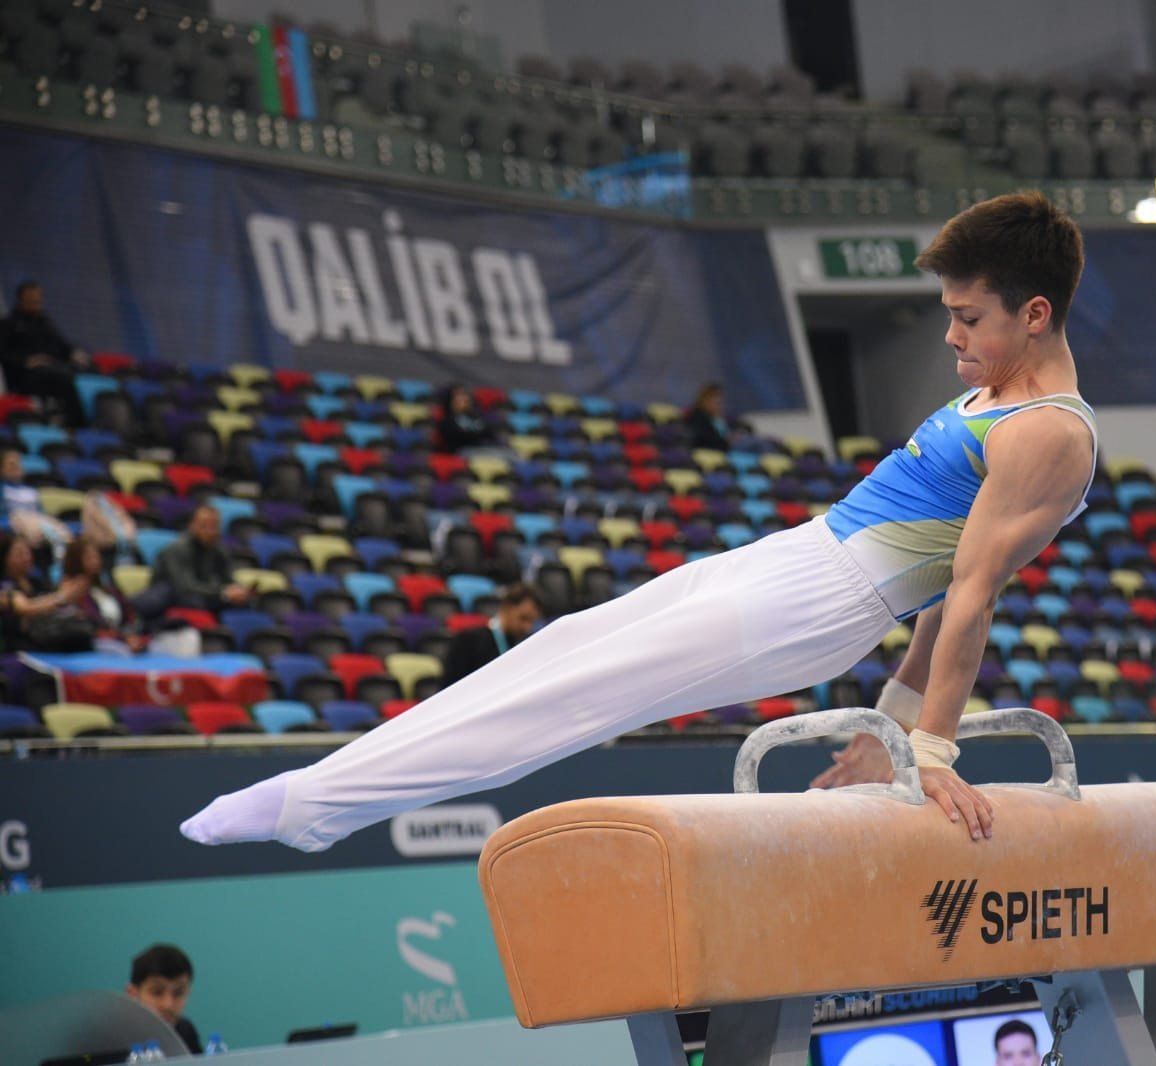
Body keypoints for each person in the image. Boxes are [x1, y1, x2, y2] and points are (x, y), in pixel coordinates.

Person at [179, 190, 1099, 853]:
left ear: (1034, 313)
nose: (949, 337)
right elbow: (951, 586)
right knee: (561, 646)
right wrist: (889, 726)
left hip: (817, 607)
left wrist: (930, 750)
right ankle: (320, 793)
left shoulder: (1048, 435)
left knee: (574, 700)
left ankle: (315, 807)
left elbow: (971, 592)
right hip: (796, 557)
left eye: (966, 317)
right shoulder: (997, 395)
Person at [133, 504, 253, 621]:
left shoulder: (219, 550)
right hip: (169, 593)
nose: (210, 531)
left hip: (199, 594)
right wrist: (223, 593)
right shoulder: (177, 548)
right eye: (204, 526)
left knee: (242, 603)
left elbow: (228, 578)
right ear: (192, 526)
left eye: (214, 526)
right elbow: (185, 587)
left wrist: (239, 591)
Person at [0, 281, 88, 426]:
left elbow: (62, 344)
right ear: (21, 300)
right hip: (25, 377)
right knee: (62, 378)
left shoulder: (45, 322)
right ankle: (76, 424)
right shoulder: (8, 325)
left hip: (51, 369)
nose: (36, 304)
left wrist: (75, 353)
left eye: (38, 300)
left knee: (79, 372)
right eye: (32, 301)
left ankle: (76, 421)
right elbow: (3, 354)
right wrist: (27, 361)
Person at [441, 583, 543, 687]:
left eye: (532, 621)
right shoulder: (468, 641)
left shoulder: (524, 647)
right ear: (506, 607)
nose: (527, 627)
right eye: (523, 618)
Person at [125, 943, 202, 1055]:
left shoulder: (185, 1031)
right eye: (157, 992)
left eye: (178, 993)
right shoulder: (112, 1037)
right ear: (133, 994)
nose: (168, 1005)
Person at [683, 382, 748, 452]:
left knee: (752, 440)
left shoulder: (719, 417)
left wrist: (737, 434)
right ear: (705, 399)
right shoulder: (697, 416)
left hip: (730, 445)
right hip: (719, 447)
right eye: (714, 398)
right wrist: (727, 441)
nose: (718, 401)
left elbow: (741, 426)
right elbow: (702, 438)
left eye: (719, 401)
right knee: (754, 443)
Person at [437, 384, 493, 453]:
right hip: (461, 453)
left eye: (465, 394)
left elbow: (489, 433)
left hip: (482, 449)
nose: (465, 398)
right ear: (451, 400)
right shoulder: (447, 421)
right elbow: (457, 437)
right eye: (459, 395)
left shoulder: (476, 417)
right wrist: (477, 433)